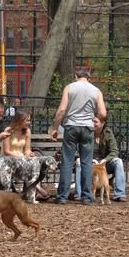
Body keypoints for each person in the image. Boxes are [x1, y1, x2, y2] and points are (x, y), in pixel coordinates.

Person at [49, 68, 107, 205]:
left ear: (76, 76)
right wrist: (96, 119)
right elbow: (103, 113)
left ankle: (62, 196)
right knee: (86, 162)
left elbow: (62, 109)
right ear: (89, 77)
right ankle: (87, 197)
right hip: (87, 128)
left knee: (67, 161)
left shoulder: (69, 88)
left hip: (71, 126)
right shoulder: (96, 91)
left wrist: (55, 128)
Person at [74, 115, 126, 202]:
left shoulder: (108, 133)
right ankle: (79, 194)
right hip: (90, 162)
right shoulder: (86, 132)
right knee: (79, 162)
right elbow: (79, 150)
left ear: (102, 123)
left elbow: (114, 151)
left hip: (104, 163)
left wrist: (105, 159)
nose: (93, 124)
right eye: (92, 121)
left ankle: (120, 194)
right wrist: (89, 159)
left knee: (119, 162)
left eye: (95, 122)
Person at [1, 110, 50, 199]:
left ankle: (32, 190)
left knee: (37, 165)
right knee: (28, 166)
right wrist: (21, 157)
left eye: (29, 120)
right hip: (9, 158)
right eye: (27, 120)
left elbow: (27, 150)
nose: (29, 123)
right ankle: (38, 189)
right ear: (19, 120)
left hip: (22, 158)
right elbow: (6, 151)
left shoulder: (27, 131)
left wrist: (30, 154)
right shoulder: (8, 130)